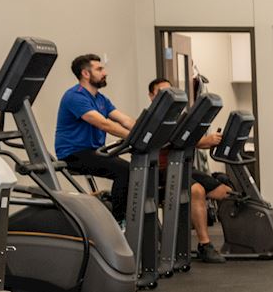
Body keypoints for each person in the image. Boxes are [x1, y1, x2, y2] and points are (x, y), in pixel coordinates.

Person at [149, 78, 232, 264]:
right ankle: (205, 244)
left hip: (183, 166)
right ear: (152, 96)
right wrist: (205, 141)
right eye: (162, 94)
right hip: (161, 170)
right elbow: (173, 140)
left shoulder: (179, 117)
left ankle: (235, 241)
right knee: (197, 191)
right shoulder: (150, 118)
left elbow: (188, 140)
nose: (167, 98)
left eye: (170, 93)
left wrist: (209, 141)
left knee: (225, 192)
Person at [53, 54, 136, 220]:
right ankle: (120, 221)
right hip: (74, 154)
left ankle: (113, 205)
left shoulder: (101, 99)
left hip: (95, 151)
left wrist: (146, 132)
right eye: (99, 69)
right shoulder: (74, 96)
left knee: (136, 170)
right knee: (125, 171)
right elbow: (103, 124)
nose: (105, 73)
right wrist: (134, 137)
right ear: (85, 73)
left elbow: (125, 120)